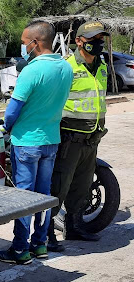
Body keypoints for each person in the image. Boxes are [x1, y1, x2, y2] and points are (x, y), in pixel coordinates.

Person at [0, 21, 73, 265]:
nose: (23, 47)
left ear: (35, 43)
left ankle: (19, 250)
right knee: (43, 195)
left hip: (27, 142)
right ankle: (40, 245)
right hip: (51, 140)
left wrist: (6, 127)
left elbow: (12, 111)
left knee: (24, 198)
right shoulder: (66, 67)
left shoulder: (31, 71)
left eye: (23, 43)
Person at [48, 21, 110, 251]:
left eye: (100, 39)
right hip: (70, 138)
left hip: (92, 138)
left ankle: (74, 227)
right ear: (79, 41)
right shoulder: (67, 67)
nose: (98, 43)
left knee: (82, 187)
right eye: (92, 39)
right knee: (59, 186)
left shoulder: (102, 66)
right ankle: (47, 234)